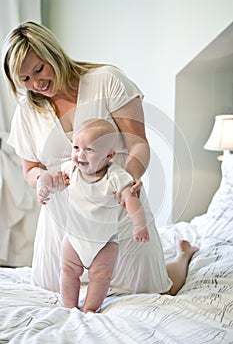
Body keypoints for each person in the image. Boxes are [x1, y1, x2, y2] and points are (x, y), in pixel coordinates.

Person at [2, 21, 198, 300]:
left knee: (156, 289)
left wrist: (128, 180)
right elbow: (30, 169)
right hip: (62, 225)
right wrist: (42, 179)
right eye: (24, 79)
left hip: (117, 213)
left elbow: (138, 143)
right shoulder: (26, 111)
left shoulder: (107, 80)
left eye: (39, 69)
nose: (36, 83)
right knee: (56, 288)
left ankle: (183, 255)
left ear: (54, 54)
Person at [38, 118, 150, 312]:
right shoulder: (70, 169)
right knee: (68, 271)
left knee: (101, 276)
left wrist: (139, 224)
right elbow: (48, 174)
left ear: (109, 155)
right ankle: (69, 306)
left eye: (89, 150)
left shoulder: (115, 176)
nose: (80, 154)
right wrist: (44, 186)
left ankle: (89, 308)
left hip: (105, 243)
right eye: (76, 147)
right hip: (74, 238)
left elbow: (131, 200)